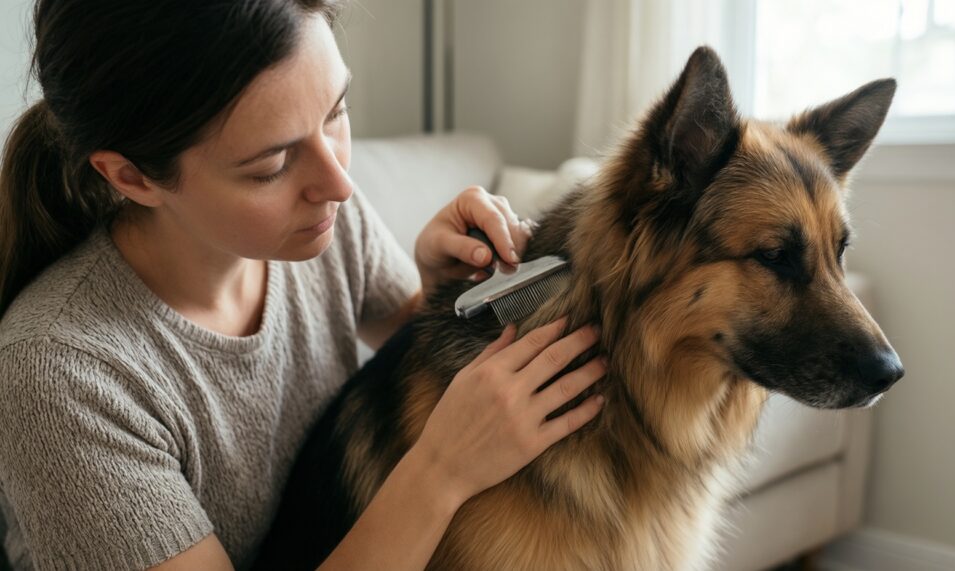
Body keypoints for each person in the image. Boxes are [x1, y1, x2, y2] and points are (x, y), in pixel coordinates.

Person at [0, 1, 607, 569]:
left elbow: (412, 373)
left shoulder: (317, 222)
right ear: (131, 177)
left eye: (336, 110)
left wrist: (440, 291)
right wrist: (442, 472)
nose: (339, 182)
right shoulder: (60, 377)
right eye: (271, 166)